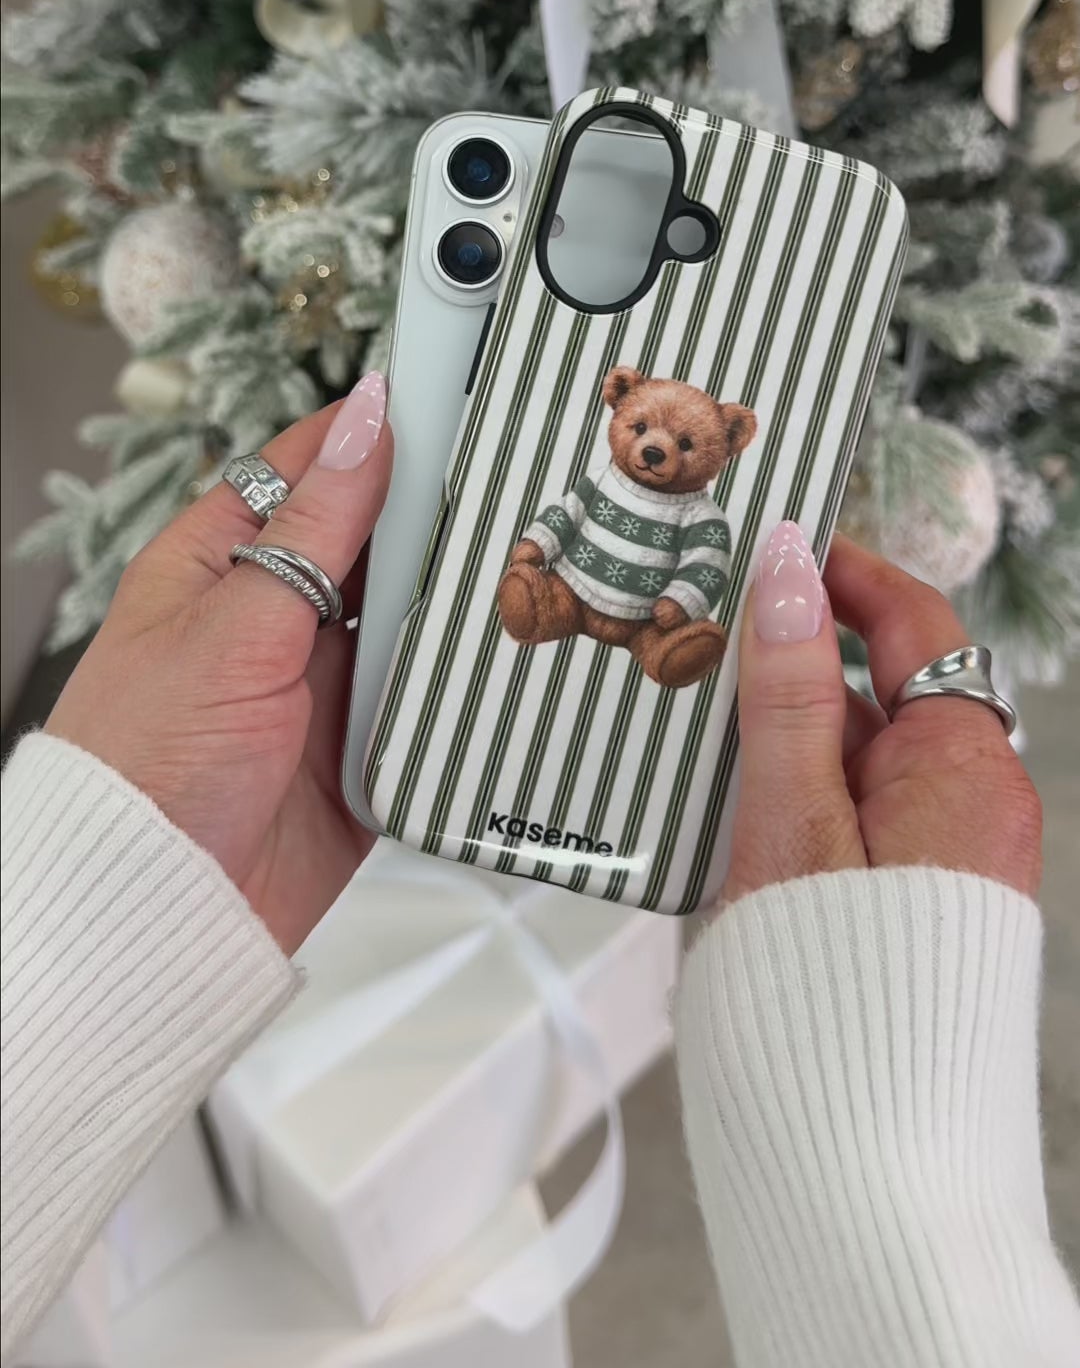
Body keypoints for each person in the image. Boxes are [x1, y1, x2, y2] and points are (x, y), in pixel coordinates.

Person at [2, 376, 1077, 1366]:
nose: (655, 450)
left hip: (643, 624)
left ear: (730, 442)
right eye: (643, 430)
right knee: (534, 604)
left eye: (682, 442)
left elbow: (708, 559)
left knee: (655, 648)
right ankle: (550, 608)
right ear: (617, 409)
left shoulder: (707, 517)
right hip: (571, 601)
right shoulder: (595, 483)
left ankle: (660, 646)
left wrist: (96, 893)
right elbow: (556, 517)